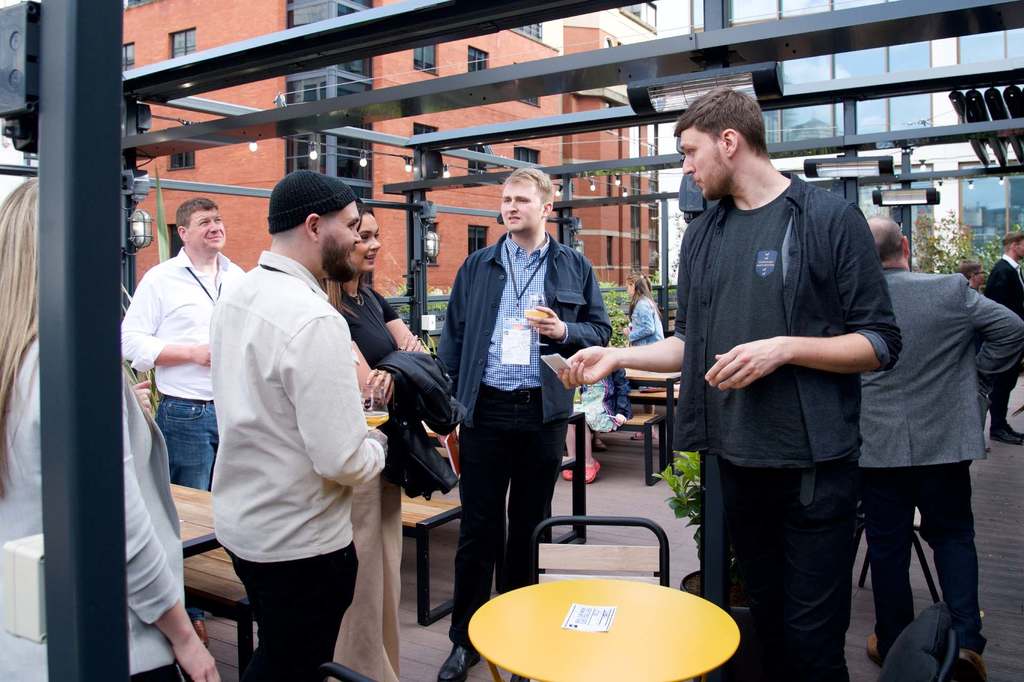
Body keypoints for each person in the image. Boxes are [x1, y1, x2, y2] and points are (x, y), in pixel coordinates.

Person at [561, 87, 901, 682]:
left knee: (814, 646)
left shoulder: (828, 219)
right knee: (765, 625)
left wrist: (786, 347)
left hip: (814, 470)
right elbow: (687, 344)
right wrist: (617, 356)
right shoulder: (702, 235)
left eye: (690, 152)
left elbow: (880, 343)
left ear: (729, 141)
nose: (685, 168)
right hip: (738, 462)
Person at [0, 180, 219, 682]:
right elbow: (124, 527)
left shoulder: (18, 361)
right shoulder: (72, 364)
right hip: (106, 638)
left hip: (23, 638)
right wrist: (183, 635)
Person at [209, 170, 386, 682]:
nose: (358, 238)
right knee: (292, 667)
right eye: (350, 225)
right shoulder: (315, 319)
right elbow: (342, 459)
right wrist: (378, 444)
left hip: (245, 527)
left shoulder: (236, 296)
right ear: (313, 226)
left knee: (278, 652)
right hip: (302, 543)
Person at [436, 167, 611, 682]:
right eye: (506, 199)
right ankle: (465, 639)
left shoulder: (574, 265)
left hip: (541, 413)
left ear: (547, 206)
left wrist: (564, 331)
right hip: (485, 412)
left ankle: (520, 638)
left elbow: (600, 330)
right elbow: (453, 338)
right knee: (478, 528)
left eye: (521, 200)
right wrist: (449, 405)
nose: (510, 207)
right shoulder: (478, 265)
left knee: (531, 526)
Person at [859, 217, 1023, 682]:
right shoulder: (950, 289)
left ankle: (894, 642)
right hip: (945, 442)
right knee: (953, 538)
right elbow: (1012, 328)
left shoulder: (854, 301)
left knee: (887, 546)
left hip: (877, 445)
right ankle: (966, 642)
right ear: (905, 246)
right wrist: (978, 375)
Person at [121, 197, 244, 639]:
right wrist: (191, 353)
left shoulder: (238, 277)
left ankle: (224, 593)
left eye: (218, 219)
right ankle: (189, 612)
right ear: (184, 233)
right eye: (205, 221)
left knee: (232, 506)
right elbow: (130, 341)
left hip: (235, 410)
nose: (216, 226)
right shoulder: (161, 279)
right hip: (185, 413)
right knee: (190, 515)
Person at [324, 203, 423, 682]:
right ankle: (361, 671)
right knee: (364, 579)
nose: (374, 244)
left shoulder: (372, 298)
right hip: (356, 459)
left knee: (387, 574)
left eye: (376, 234)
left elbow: (420, 357)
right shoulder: (330, 311)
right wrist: (398, 371)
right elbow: (370, 389)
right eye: (362, 235)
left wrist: (396, 371)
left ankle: (386, 669)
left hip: (387, 455)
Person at [981, 231, 1024, 445]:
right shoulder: (1002, 270)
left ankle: (1001, 424)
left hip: (1013, 338)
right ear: (1014, 245)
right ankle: (997, 427)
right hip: (1006, 340)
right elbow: (997, 306)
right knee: (1002, 383)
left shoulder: (1013, 270)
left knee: (1007, 383)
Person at [563, 370, 631, 483]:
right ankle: (572, 460)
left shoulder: (612, 361)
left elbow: (622, 386)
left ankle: (588, 462)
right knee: (570, 417)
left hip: (604, 402)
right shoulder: (580, 361)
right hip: (582, 399)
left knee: (582, 418)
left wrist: (622, 411)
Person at [626, 271, 664, 347]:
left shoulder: (642, 304)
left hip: (650, 349)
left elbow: (649, 328)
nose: (627, 290)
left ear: (633, 285)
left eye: (627, 287)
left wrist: (630, 334)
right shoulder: (644, 302)